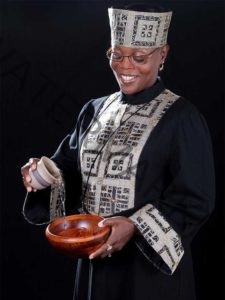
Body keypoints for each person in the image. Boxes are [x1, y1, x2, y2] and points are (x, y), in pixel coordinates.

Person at [21, 3, 215, 300]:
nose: (125, 67)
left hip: (149, 275)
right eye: (116, 54)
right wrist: (43, 177)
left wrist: (134, 226)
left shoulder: (182, 118)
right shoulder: (95, 110)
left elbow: (195, 199)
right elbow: (69, 169)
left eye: (139, 57)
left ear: (162, 54)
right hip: (94, 261)